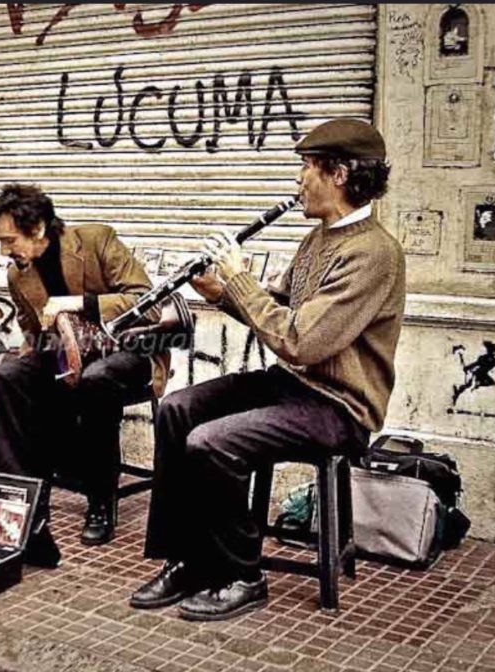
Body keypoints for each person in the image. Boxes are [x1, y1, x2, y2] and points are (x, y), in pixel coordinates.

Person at [130, 118, 405, 620]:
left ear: (339, 173)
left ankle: (242, 574)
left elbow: (300, 340)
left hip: (340, 404)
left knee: (212, 442)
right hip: (294, 386)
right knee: (176, 410)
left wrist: (239, 279)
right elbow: (278, 309)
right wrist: (220, 292)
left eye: (306, 167)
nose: (298, 180)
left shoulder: (374, 253)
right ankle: (188, 559)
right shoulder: (317, 239)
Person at [0, 183, 169, 546]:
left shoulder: (96, 240)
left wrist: (79, 304)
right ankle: (27, 500)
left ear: (36, 229)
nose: (4, 251)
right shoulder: (17, 274)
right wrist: (28, 359)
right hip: (66, 353)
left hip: (129, 350)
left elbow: (148, 305)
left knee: (95, 380)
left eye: (9, 241)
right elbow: (32, 329)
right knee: (7, 376)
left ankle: (100, 501)